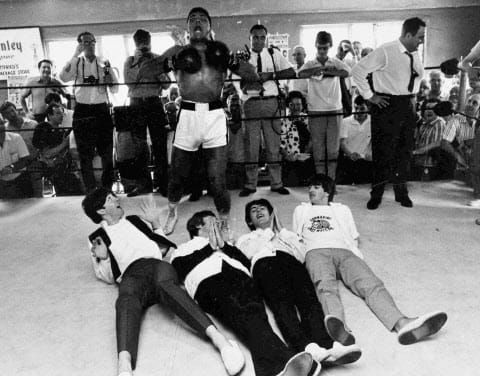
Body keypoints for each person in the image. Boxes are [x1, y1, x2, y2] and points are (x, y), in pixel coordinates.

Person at [81, 188, 246, 376]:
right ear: (101, 210)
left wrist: (155, 223)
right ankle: (124, 367)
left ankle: (221, 342)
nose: (117, 198)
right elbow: (107, 277)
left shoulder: (134, 221)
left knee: (165, 285)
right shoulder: (96, 237)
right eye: (111, 198)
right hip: (131, 275)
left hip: (157, 266)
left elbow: (162, 248)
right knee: (125, 299)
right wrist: (104, 259)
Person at [140, 7, 259, 235]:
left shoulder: (219, 51)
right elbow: (145, 72)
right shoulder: (178, 50)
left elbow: (250, 73)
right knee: (177, 174)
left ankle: (224, 220)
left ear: (209, 26)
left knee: (217, 178)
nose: (197, 22)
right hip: (188, 116)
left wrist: (232, 62)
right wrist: (169, 64)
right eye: (192, 19)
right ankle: (172, 211)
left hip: (214, 117)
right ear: (187, 27)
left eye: (202, 19)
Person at [292, 174, 448, 347]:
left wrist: (353, 255)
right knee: (325, 287)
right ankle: (339, 329)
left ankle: (402, 323)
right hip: (316, 251)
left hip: (344, 251)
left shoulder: (342, 209)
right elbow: (297, 236)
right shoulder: (302, 209)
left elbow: (352, 235)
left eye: (316, 187)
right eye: (310, 187)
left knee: (371, 284)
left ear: (327, 191)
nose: (310, 190)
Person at [170, 210, 317, 376]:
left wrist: (224, 246)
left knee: (257, 316)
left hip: (241, 278)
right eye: (213, 221)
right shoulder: (183, 248)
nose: (219, 224)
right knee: (243, 315)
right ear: (198, 225)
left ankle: (274, 368)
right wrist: (209, 248)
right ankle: (281, 363)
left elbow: (246, 263)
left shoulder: (228, 245)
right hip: (209, 281)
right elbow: (179, 268)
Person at [236, 198, 362, 368]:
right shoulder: (246, 238)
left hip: (291, 263)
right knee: (283, 307)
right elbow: (247, 253)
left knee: (310, 302)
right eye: (253, 210)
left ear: (271, 213)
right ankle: (307, 348)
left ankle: (328, 345)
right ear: (249, 221)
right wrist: (268, 232)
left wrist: (283, 231)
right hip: (264, 265)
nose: (259, 211)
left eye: (263, 208)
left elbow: (303, 254)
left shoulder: (286, 235)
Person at [351, 17, 426, 210]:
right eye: (419, 37)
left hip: (408, 104)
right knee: (383, 152)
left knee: (404, 151)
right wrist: (370, 96)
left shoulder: (414, 52)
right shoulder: (386, 50)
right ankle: (376, 195)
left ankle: (402, 194)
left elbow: (411, 77)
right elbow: (358, 70)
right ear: (407, 34)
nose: (421, 41)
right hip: (387, 105)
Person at [239, 23, 296, 197]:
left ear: (266, 38)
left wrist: (270, 75)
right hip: (251, 103)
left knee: (273, 146)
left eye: (262, 37)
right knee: (252, 147)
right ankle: (250, 185)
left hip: (272, 103)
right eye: (255, 37)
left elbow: (291, 72)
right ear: (249, 39)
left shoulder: (273, 54)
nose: (259, 40)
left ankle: (277, 183)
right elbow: (235, 80)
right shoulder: (242, 57)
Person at [59, 31, 119, 192]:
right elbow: (63, 77)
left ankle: (107, 189)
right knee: (85, 155)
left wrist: (109, 81)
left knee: (107, 153)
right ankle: (91, 190)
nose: (90, 45)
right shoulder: (77, 63)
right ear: (80, 44)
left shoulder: (104, 62)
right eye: (85, 42)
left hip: (101, 109)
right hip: (82, 110)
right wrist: (74, 54)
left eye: (92, 42)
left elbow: (115, 88)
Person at [124, 29, 171, 197]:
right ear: (135, 44)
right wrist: (139, 64)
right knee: (139, 146)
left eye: (146, 42)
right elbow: (129, 83)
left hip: (154, 103)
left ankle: (163, 184)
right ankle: (144, 185)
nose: (144, 46)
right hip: (136, 105)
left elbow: (166, 85)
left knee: (159, 145)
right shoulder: (129, 61)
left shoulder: (158, 59)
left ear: (150, 42)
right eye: (140, 42)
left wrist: (154, 66)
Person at [298, 31, 351, 181]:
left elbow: (348, 72)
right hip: (315, 110)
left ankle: (331, 181)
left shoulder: (335, 62)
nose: (322, 51)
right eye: (320, 48)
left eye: (325, 48)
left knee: (333, 149)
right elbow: (300, 74)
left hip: (334, 109)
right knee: (318, 149)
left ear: (330, 47)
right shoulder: (310, 63)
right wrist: (315, 70)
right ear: (316, 46)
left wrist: (328, 71)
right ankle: (321, 181)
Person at [30, 103, 82, 195]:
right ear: (50, 115)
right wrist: (64, 143)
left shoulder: (62, 131)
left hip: (65, 166)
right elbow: (47, 153)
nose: (61, 116)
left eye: (62, 113)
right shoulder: (43, 128)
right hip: (52, 168)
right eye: (57, 113)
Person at [411, 99, 453, 180]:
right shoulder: (423, 125)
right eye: (427, 108)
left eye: (433, 109)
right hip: (419, 164)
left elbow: (437, 144)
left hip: (430, 165)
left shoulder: (439, 123)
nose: (429, 111)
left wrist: (418, 151)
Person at [336, 95, 373, 185]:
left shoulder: (373, 121)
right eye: (356, 108)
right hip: (348, 160)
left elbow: (374, 141)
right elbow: (342, 143)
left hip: (365, 160)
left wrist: (368, 154)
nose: (358, 111)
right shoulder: (345, 122)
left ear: (367, 108)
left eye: (362, 109)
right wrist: (351, 155)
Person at [279, 90, 313, 186]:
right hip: (291, 159)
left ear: (302, 105)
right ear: (288, 106)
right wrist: (288, 156)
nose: (295, 108)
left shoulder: (308, 119)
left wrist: (305, 153)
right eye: (292, 105)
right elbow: (281, 145)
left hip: (306, 157)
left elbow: (313, 139)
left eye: (298, 104)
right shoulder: (284, 121)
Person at [0, 117, 32, 198]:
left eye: (1, 124)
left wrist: (11, 167)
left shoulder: (16, 138)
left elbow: (26, 160)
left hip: (19, 181)